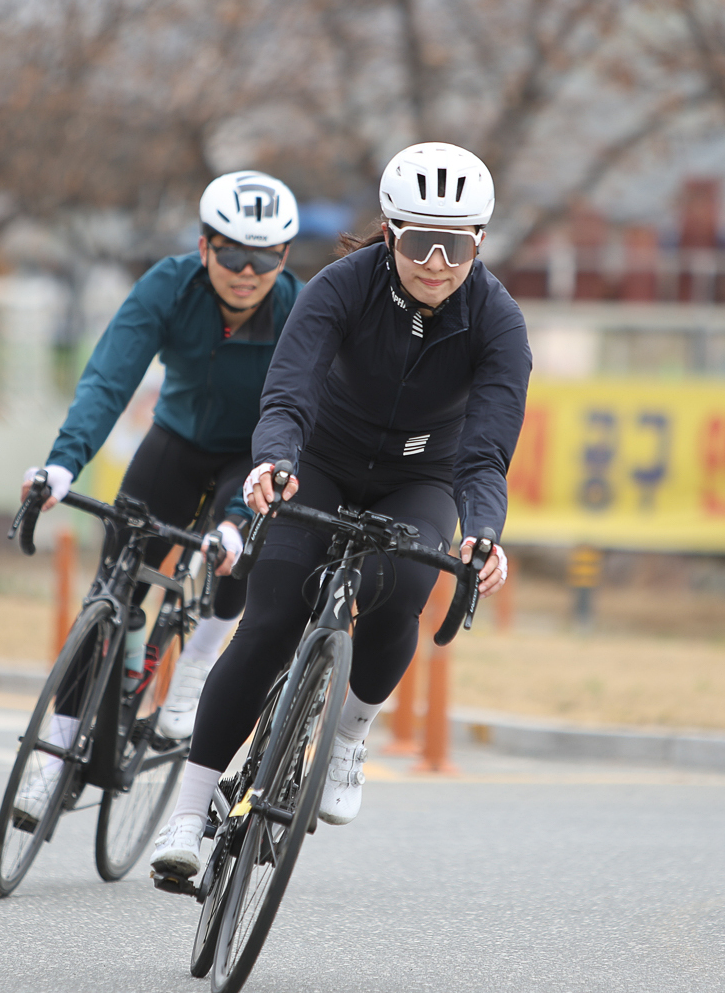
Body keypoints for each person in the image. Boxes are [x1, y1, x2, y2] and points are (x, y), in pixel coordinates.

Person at [150, 143, 527, 878]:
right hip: (320, 461)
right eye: (420, 243)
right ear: (390, 233)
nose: (438, 263)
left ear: (480, 243)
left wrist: (484, 531)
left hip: (421, 476)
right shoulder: (341, 286)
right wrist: (273, 462)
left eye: (456, 247)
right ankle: (187, 813)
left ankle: (350, 736)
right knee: (268, 624)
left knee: (403, 592)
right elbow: (289, 392)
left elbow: (485, 453)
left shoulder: (498, 322)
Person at [13, 172, 302, 821]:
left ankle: (196, 664)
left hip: (252, 453)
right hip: (175, 440)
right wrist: (63, 463)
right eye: (232, 254)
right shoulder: (168, 285)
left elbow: (308, 415)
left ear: (285, 258)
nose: (247, 272)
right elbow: (109, 378)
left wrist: (241, 516)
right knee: (111, 588)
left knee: (239, 551)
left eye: (264, 258)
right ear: (203, 247)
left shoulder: (298, 309)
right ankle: (53, 756)